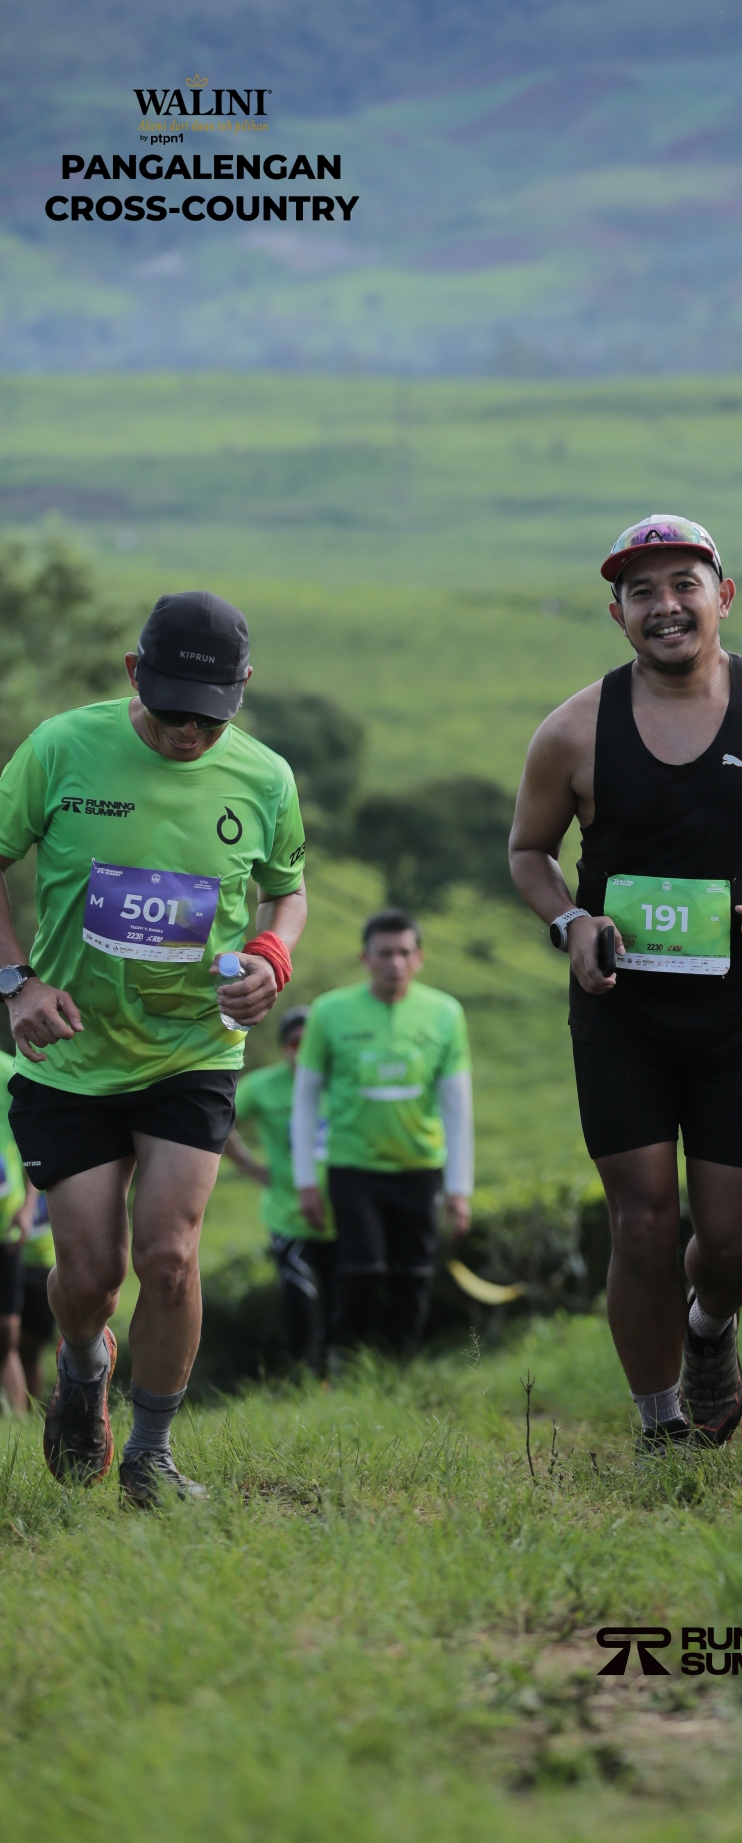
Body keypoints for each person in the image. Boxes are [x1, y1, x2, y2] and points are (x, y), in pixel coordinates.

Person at [509, 515, 742, 1453]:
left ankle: (710, 1327)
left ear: (723, 596)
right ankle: (661, 1426)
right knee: (640, 1224)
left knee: (736, 1242)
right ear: (617, 614)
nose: (664, 606)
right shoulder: (574, 729)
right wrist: (571, 924)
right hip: (621, 1015)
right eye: (642, 592)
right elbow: (528, 851)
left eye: (683, 585)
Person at [0, 590, 308, 1504]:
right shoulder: (61, 747)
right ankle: (83, 1364)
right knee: (89, 1278)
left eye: (210, 717)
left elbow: (287, 888)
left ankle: (151, 1455)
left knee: (169, 1256)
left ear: (244, 688)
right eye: (173, 710)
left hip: (192, 1048)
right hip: (71, 1051)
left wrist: (273, 953)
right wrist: (17, 982)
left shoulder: (265, 778)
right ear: (135, 674)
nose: (189, 733)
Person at [291, 910, 473, 1357]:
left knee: (414, 1275)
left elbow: (457, 1105)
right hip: (353, 1166)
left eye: (404, 953)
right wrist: (305, 1180)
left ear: (419, 957)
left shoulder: (446, 1013)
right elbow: (306, 1098)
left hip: (420, 1167)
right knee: (362, 1271)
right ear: (365, 958)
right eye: (384, 953)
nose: (395, 963)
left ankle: (399, 1369)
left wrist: (459, 1188)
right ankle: (347, 1362)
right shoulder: (329, 1012)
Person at [225, 1004, 336, 1375]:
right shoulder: (263, 1087)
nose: (302, 1052)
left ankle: (341, 1374)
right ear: (283, 1047)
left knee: (344, 1300)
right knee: (301, 1301)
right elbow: (218, 1118)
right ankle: (297, 1378)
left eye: (311, 1042)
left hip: (347, 1215)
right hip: (289, 1216)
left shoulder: (344, 1080)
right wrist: (250, 1166)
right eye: (294, 1043)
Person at [0, 1047, 37, 1414]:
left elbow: (32, 1140)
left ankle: (20, 1420)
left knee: (7, 1329)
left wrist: (27, 1209)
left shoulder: (7, 1071)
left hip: (6, 1229)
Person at [19, 1188, 55, 1406]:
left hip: (43, 1269)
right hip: (11, 1262)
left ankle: (32, 1409)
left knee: (32, 1351)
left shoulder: (50, 1180)